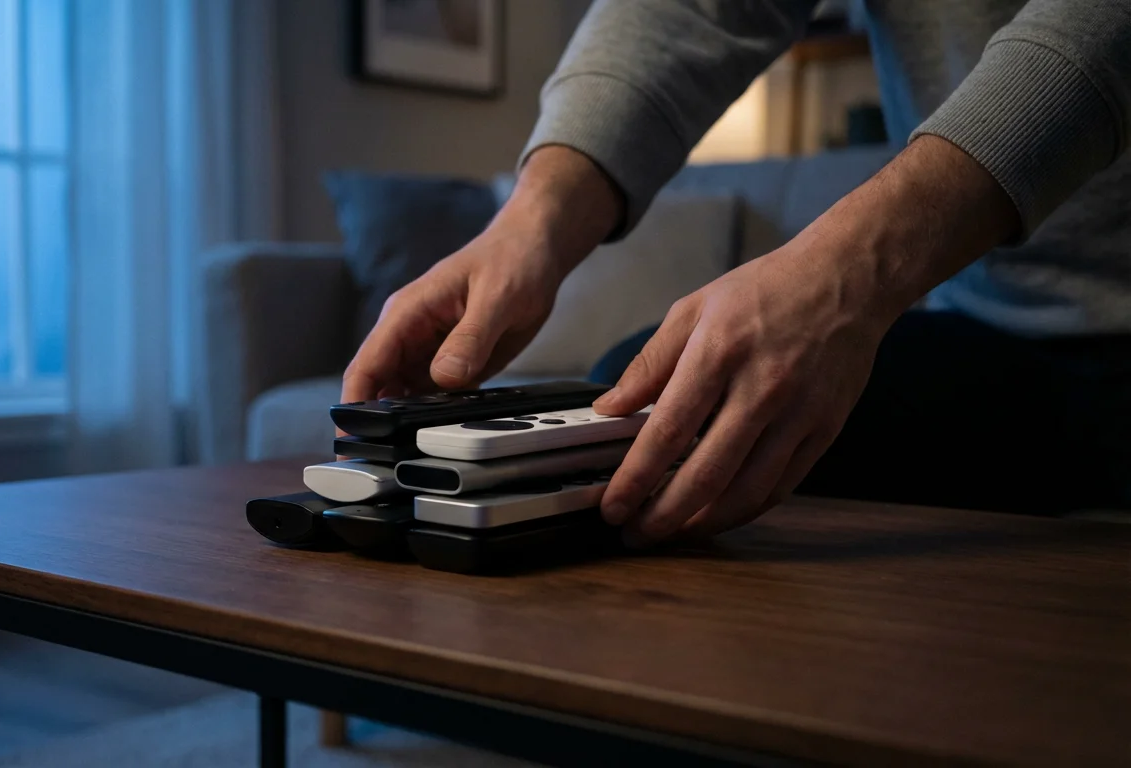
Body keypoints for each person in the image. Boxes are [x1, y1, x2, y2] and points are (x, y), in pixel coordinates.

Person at [341, 0, 1131, 547]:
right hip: (997, 325)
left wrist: (847, 272)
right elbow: (693, 9)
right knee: (655, 419)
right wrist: (536, 217)